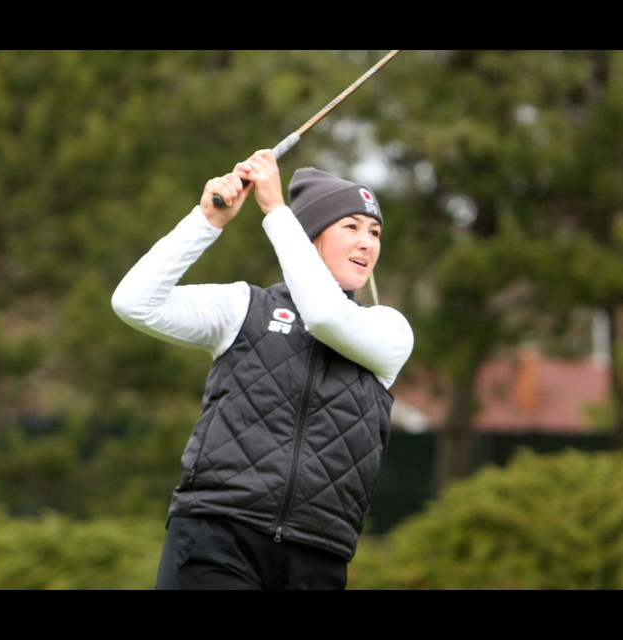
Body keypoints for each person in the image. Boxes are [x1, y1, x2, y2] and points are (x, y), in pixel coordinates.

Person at [111, 149, 414, 589]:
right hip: (217, 536)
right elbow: (133, 302)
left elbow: (326, 318)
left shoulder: (388, 330)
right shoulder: (244, 307)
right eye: (351, 227)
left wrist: (275, 210)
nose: (367, 242)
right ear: (309, 238)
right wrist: (205, 222)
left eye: (375, 231)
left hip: (316, 556)